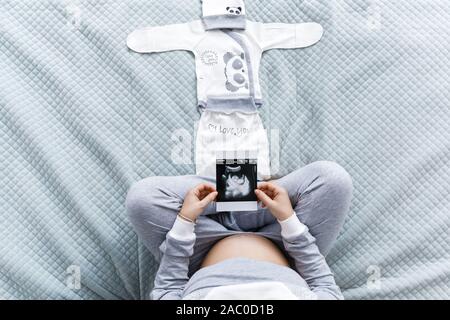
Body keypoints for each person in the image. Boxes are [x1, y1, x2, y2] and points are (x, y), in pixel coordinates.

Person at [125, 161, 353, 300]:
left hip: (199, 247)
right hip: (286, 245)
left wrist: (186, 220)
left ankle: (237, 200)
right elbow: (324, 287)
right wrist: (287, 219)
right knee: (332, 180)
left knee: (143, 198)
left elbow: (169, 289)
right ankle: (252, 198)